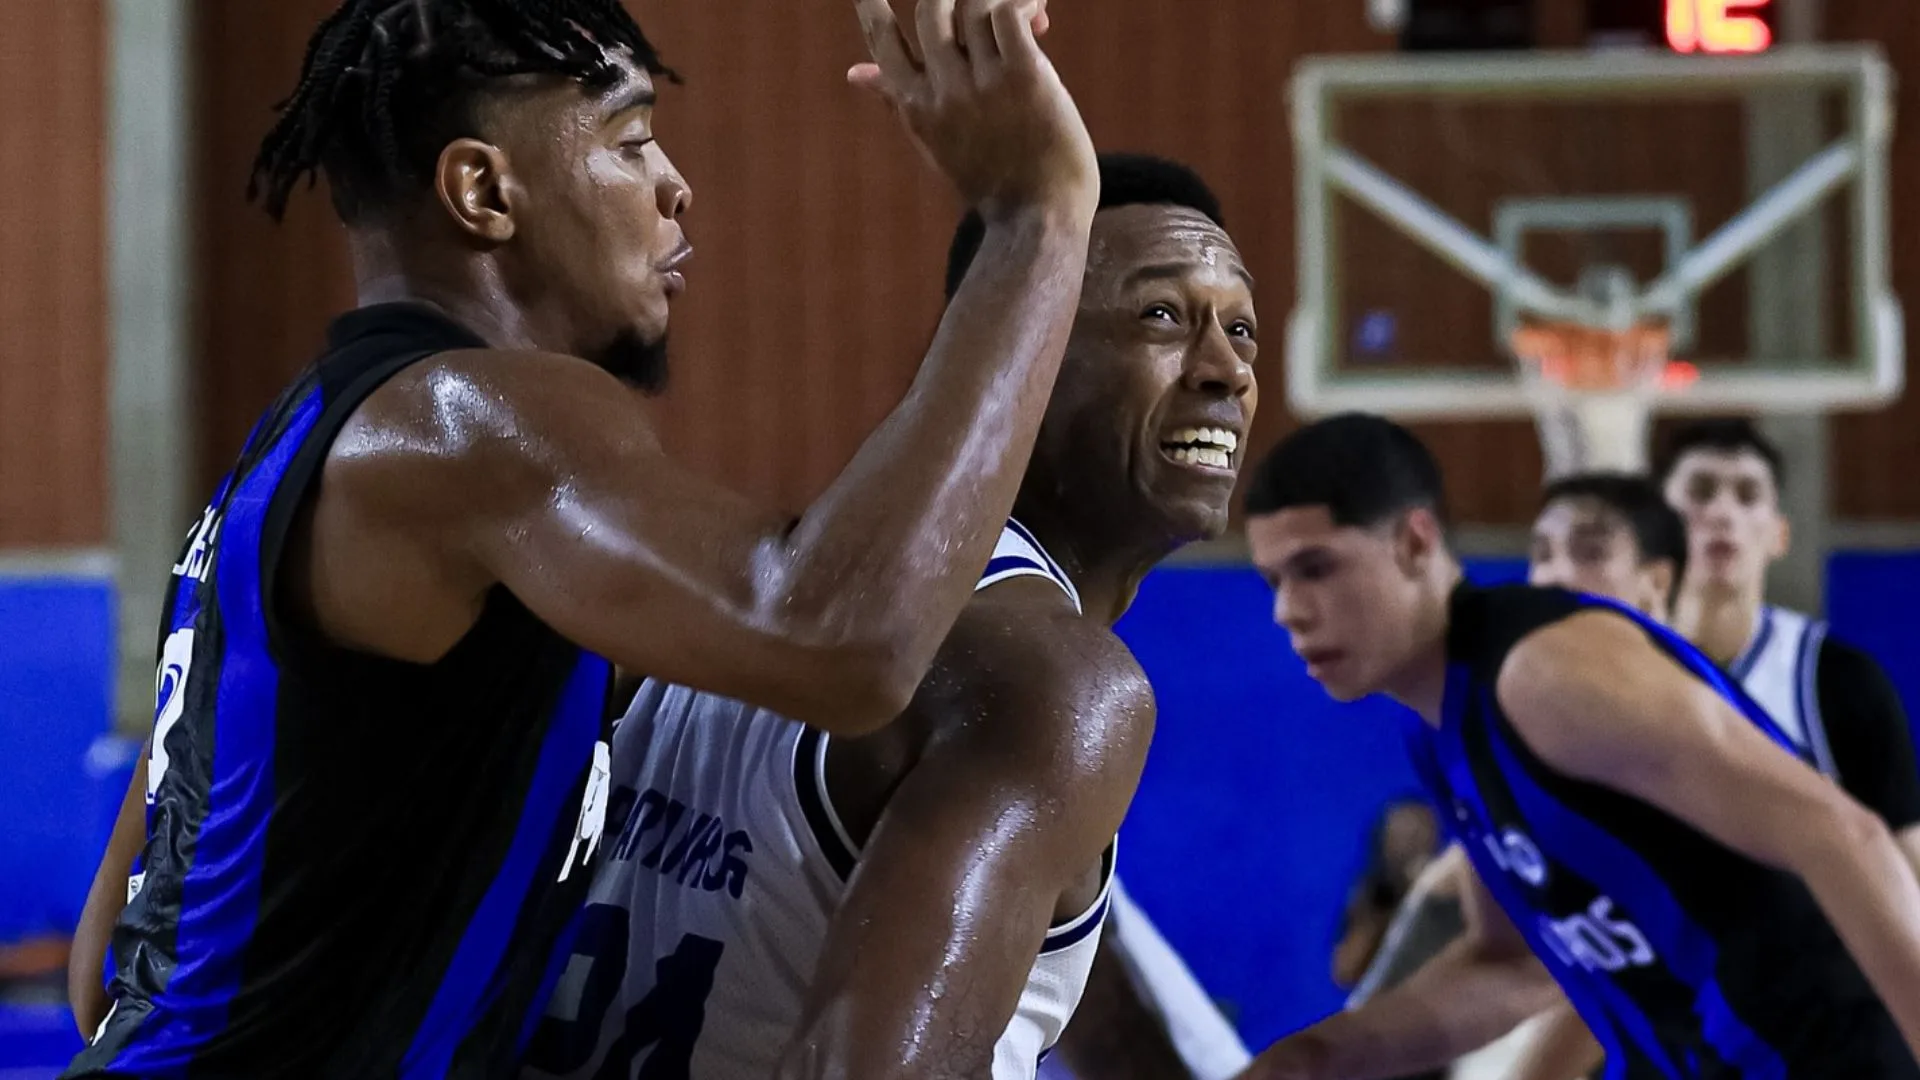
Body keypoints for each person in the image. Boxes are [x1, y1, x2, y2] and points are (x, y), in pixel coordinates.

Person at [62, 0, 1100, 1074]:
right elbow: (842, 641)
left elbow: (106, 974)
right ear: (483, 191)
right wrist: (1036, 217)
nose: (673, 185)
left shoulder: (295, 450)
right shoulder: (473, 424)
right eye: (632, 137)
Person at [519, 153, 1259, 1080]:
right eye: (1163, 316)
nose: (1226, 369)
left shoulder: (750, 602)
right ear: (1018, 345)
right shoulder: (1055, 680)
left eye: (1241, 329)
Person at [1237, 413, 1920, 1079]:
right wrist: (1316, 1056)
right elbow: (1514, 966)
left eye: (1316, 569)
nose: (1287, 610)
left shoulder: (1545, 673)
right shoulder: (1441, 723)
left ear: (1416, 543)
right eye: (1274, 581)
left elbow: (1844, 835)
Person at [1659, 419, 1920, 870]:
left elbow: (1909, 861)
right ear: (1656, 526)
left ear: (1779, 535)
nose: (1723, 512)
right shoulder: (1616, 660)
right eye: (1701, 492)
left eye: (1747, 495)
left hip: (1808, 936)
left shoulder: (1841, 679)